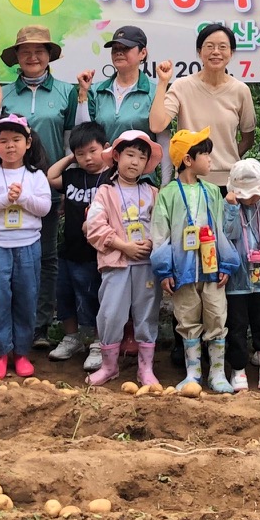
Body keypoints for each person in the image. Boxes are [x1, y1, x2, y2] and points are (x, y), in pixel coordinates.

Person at [0, 25, 78, 346]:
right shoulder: (2, 93)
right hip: (8, 188)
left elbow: (72, 144)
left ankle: (40, 325)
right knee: (9, 256)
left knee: (46, 257)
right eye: (26, 51)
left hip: (49, 188)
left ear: (49, 56)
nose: (33, 56)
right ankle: (11, 325)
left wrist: (64, 187)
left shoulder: (66, 93)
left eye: (39, 51)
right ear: (17, 56)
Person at [152, 127, 238, 394]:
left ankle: (217, 373)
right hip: (183, 271)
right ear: (188, 160)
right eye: (205, 154)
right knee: (187, 319)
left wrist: (226, 263)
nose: (210, 160)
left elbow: (221, 230)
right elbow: (160, 235)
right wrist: (165, 270)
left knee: (216, 317)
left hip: (212, 270)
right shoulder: (167, 194)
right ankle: (193, 373)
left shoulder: (213, 191)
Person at [0, 113, 53, 379]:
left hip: (28, 246)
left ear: (28, 143)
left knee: (26, 299)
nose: (10, 146)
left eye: (16, 139)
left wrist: (24, 197)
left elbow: (44, 207)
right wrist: (4, 200)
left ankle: (21, 353)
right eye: (4, 141)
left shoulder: (36, 176)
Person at [84, 131, 164, 387]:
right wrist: (122, 246)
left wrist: (151, 242)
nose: (135, 162)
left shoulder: (152, 192)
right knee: (110, 313)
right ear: (117, 156)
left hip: (146, 264)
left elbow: (163, 224)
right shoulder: (104, 192)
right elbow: (94, 226)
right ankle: (109, 366)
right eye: (130, 155)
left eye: (142, 157)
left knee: (147, 313)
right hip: (116, 263)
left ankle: (146, 368)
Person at [47, 122, 113, 368]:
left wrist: (108, 158)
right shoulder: (74, 175)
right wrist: (69, 158)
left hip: (96, 252)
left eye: (93, 151)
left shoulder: (111, 178)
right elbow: (51, 177)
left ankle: (98, 342)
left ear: (105, 149)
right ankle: (71, 337)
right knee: (64, 294)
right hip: (70, 248)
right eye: (81, 154)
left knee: (94, 297)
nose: (88, 158)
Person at [155, 23, 258, 167]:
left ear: (231, 52)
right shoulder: (181, 86)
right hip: (189, 180)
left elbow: (248, 139)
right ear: (199, 51)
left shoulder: (240, 90)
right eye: (209, 46)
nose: (216, 52)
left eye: (222, 47)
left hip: (227, 182)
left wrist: (226, 161)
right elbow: (157, 125)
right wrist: (163, 82)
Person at [221, 158, 260, 391]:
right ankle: (239, 370)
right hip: (236, 282)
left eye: (256, 193)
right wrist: (232, 207)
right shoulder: (229, 207)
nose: (253, 198)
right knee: (237, 327)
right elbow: (229, 234)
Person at [84, 26, 167, 161]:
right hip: (103, 175)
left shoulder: (155, 92)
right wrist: (82, 94)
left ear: (143, 53)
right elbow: (85, 136)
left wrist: (165, 181)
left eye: (125, 48)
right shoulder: (96, 90)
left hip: (142, 176)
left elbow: (163, 141)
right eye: (115, 49)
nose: (119, 53)